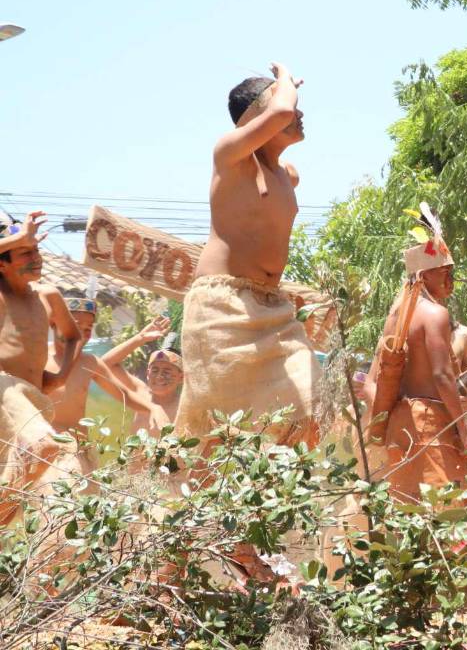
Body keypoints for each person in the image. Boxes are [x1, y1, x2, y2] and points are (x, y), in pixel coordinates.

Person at [176, 63, 326, 449]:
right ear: (258, 118)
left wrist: (282, 93)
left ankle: (290, 502)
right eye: (286, 103)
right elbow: (281, 113)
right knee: (224, 439)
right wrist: (286, 77)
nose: (297, 112)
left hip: (273, 310)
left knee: (311, 403)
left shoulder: (286, 175)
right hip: (221, 312)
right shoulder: (229, 154)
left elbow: (280, 116)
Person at [369, 204, 467, 502]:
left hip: (400, 427)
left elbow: (370, 383)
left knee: (406, 523)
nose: (450, 280)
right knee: (447, 521)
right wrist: (462, 429)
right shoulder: (435, 315)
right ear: (424, 274)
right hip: (431, 426)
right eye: (444, 272)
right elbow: (440, 376)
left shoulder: (395, 319)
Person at [0, 214, 83, 522]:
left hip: (30, 400)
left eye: (36, 251)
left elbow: (73, 336)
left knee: (41, 475)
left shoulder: (48, 296)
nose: (36, 258)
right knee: (44, 445)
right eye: (26, 253)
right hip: (2, 393)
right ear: (2, 264)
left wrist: (61, 375)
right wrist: (19, 236)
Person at [44, 299, 161, 443]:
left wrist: (153, 410)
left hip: (76, 449)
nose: (81, 333)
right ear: (53, 323)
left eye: (88, 329)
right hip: (42, 446)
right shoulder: (38, 360)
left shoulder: (90, 363)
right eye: (75, 325)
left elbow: (124, 395)